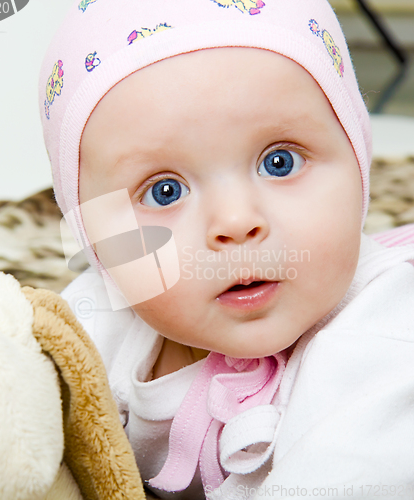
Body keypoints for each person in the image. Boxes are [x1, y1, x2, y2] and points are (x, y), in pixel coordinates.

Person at [39, 0, 414, 498]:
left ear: (357, 159)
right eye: (164, 191)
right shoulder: (89, 322)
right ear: (94, 237)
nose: (236, 223)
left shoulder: (383, 333)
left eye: (279, 162)